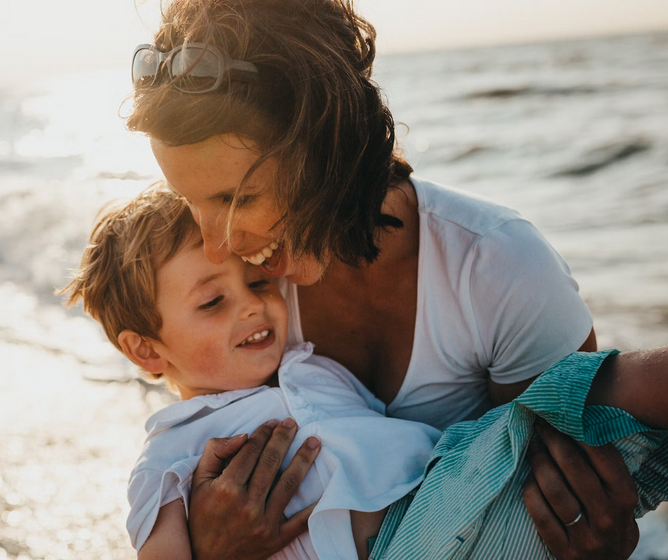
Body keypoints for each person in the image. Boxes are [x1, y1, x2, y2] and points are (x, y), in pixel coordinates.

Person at [126, 1, 640, 558]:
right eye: (190, 201)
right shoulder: (242, 298)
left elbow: (564, 492)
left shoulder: (497, 268)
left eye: (237, 199)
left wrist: (603, 545)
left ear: (327, 147)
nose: (218, 245)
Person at [61, 185, 668, 560]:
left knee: (658, 454)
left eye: (254, 280)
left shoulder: (307, 366)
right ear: (147, 352)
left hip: (453, 508)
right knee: (564, 410)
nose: (253, 306)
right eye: (213, 302)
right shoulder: (174, 450)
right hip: (407, 542)